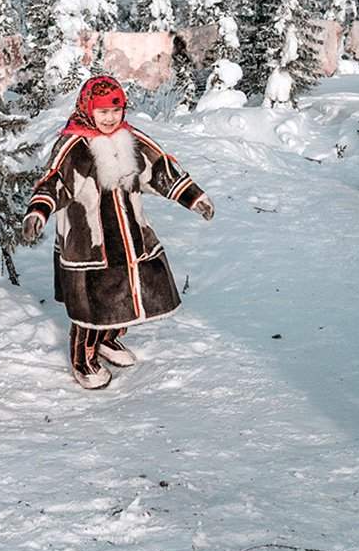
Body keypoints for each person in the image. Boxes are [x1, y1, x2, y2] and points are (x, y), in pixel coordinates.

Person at [21, 76, 215, 389]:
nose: (110, 118)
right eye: (102, 112)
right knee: (91, 305)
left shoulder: (132, 139)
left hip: (130, 236)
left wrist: (193, 197)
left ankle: (109, 339)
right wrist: (38, 212)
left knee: (124, 293)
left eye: (116, 110)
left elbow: (161, 170)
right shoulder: (73, 146)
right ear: (88, 109)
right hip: (89, 242)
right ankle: (83, 359)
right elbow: (53, 182)